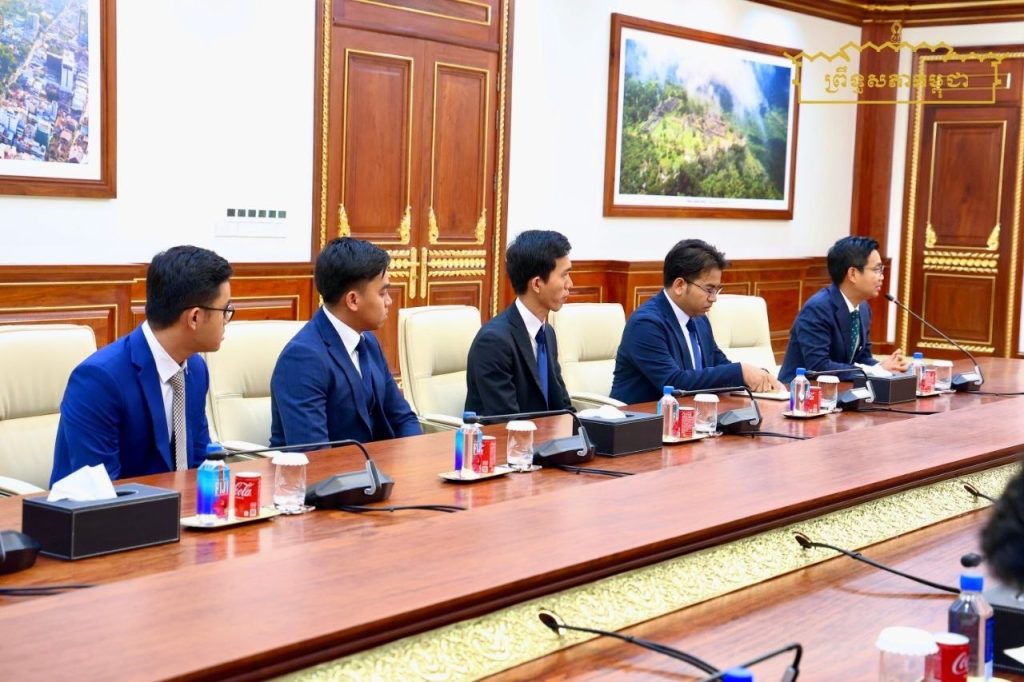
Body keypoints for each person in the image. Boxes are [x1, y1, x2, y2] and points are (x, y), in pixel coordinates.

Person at [51, 246, 233, 484]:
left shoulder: (196, 370)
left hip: (174, 505)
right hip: (107, 506)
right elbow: (99, 489)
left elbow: (198, 465)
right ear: (195, 317)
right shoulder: (100, 379)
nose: (227, 320)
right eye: (225, 310)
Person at [270, 237, 420, 447]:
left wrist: (416, 459)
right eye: (382, 293)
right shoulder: (302, 358)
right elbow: (315, 452)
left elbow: (403, 418)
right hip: (329, 468)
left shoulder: (368, 342)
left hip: (378, 464)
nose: (389, 301)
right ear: (353, 300)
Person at [611, 239, 783, 404]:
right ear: (679, 285)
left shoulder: (699, 319)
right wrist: (740, 372)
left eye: (717, 290)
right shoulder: (646, 324)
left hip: (692, 416)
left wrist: (758, 376)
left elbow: (718, 363)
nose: (714, 298)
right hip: (642, 418)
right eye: (709, 289)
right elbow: (674, 384)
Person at [465, 230, 573, 415]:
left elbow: (562, 405)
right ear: (537, 284)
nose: (569, 284)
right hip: (508, 433)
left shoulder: (547, 333)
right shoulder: (494, 342)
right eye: (564, 275)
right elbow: (506, 420)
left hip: (547, 432)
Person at [778, 236, 908, 383]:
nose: (882, 277)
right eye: (876, 269)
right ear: (852, 274)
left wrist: (883, 366)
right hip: (799, 390)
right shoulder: (817, 309)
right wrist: (874, 371)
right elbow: (819, 366)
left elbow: (862, 359)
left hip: (839, 389)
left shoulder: (863, 308)